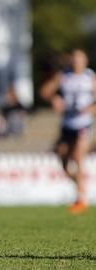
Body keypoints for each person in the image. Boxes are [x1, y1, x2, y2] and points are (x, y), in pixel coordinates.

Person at [40, 49, 95, 214]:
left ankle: (81, 199)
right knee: (62, 157)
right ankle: (80, 185)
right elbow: (44, 92)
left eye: (80, 59)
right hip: (67, 124)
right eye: (74, 59)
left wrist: (92, 108)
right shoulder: (63, 76)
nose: (77, 62)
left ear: (85, 61)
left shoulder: (90, 78)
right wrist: (54, 99)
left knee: (78, 156)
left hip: (84, 124)